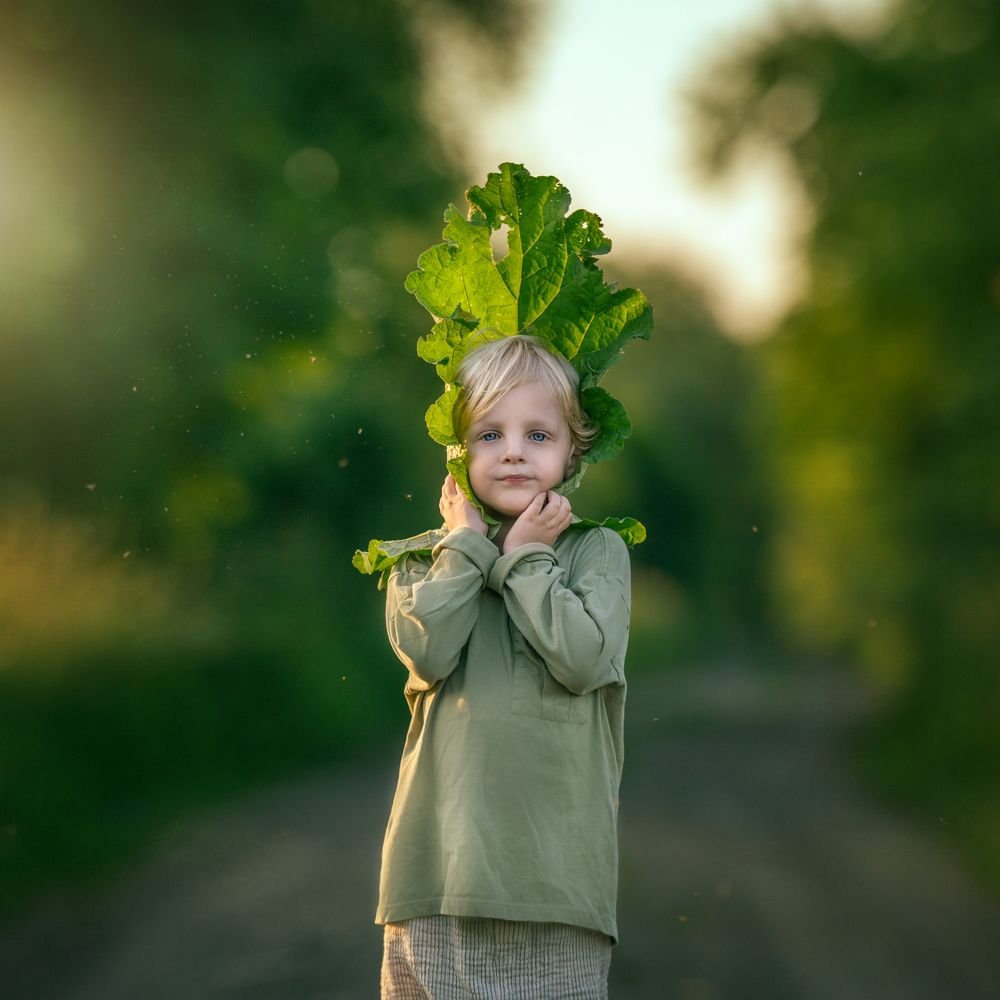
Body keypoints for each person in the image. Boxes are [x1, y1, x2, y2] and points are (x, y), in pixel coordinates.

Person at [376, 335, 632, 999]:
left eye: (537, 434)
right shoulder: (418, 560)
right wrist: (465, 548)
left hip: (554, 884)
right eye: (489, 433)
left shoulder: (596, 553)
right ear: (458, 450)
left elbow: (583, 659)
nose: (513, 450)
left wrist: (525, 559)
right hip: (436, 878)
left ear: (574, 449)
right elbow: (426, 650)